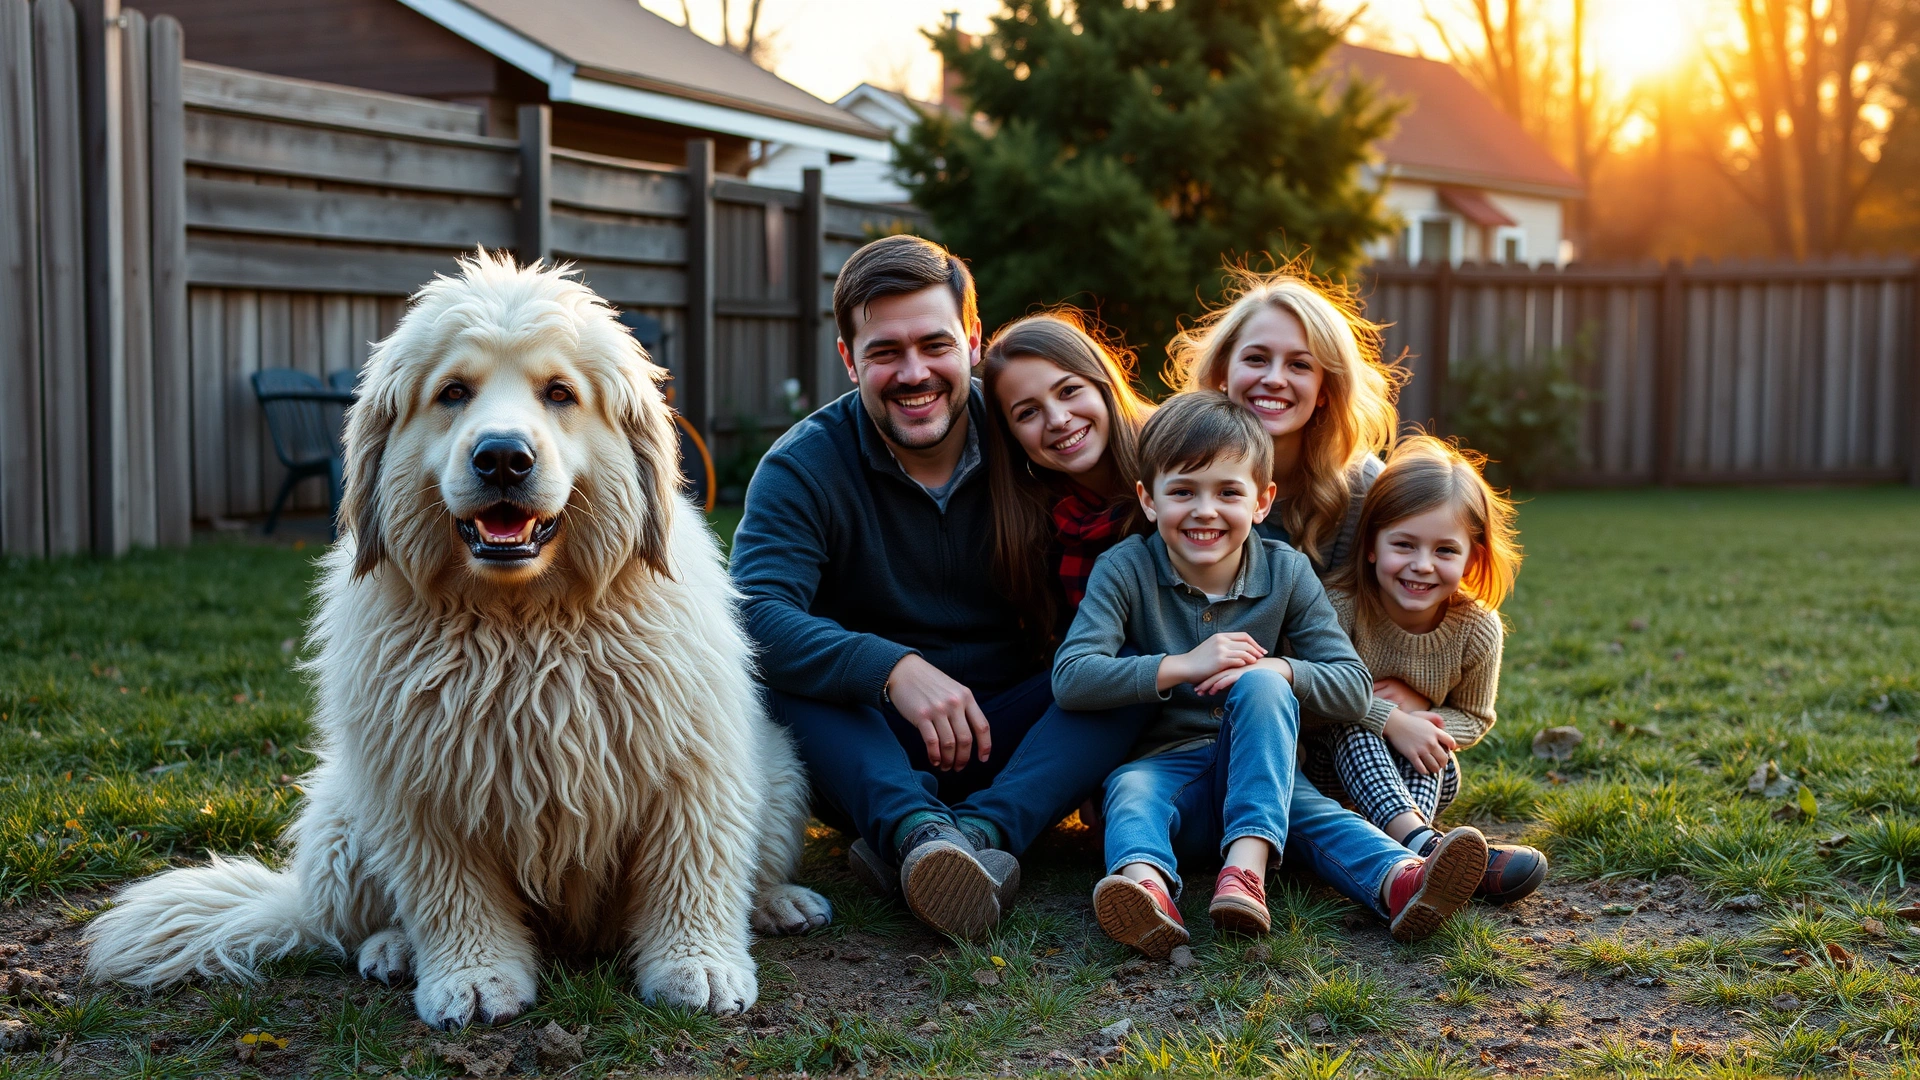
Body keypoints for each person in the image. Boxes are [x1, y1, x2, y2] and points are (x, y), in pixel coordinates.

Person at [729, 235, 1152, 941]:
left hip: (1021, 731)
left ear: (973, 340)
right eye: (885, 352)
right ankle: (919, 834)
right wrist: (891, 668)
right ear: (848, 359)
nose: (914, 372)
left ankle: (980, 834)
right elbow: (755, 615)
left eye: (934, 344)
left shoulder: (1029, 430)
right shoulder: (803, 467)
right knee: (776, 676)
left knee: (1135, 666)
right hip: (870, 740)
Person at [1051, 392, 1490, 957]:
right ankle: (1146, 892)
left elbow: (1352, 685)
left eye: (1228, 492)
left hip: (1268, 767)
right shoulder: (1125, 568)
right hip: (1167, 765)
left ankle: (1400, 880)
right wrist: (1184, 665)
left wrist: (1280, 667)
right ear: (1149, 499)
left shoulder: (1287, 570)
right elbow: (1073, 677)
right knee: (1130, 793)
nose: (1205, 511)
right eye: (1183, 491)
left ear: (1262, 501)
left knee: (1304, 784)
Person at [1304, 436, 1548, 904]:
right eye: (1404, 544)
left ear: (1472, 557)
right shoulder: (1341, 607)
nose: (1421, 565)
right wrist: (1386, 718)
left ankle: (1418, 861)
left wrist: (1419, 724)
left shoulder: (1476, 627)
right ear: (1371, 545)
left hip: (1411, 771)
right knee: (1357, 733)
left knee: (1437, 754)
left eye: (1444, 551)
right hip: (1326, 770)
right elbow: (1311, 701)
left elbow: (1475, 717)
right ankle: (1424, 846)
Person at [1170, 268, 1403, 577]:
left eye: (1299, 365)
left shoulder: (1364, 490)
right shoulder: (1170, 463)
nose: (1275, 379)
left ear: (1325, 390)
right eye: (1256, 359)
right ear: (1223, 371)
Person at [982, 311, 1156, 649]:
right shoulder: (1037, 529)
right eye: (1027, 413)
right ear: (1011, 436)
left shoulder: (1182, 468)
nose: (1059, 420)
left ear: (1102, 383)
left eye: (1069, 390)